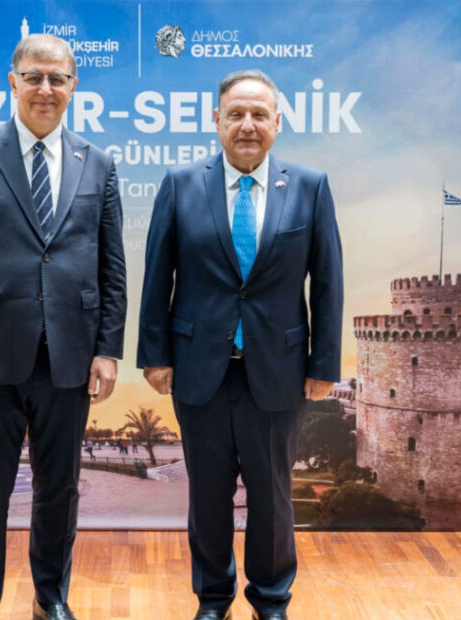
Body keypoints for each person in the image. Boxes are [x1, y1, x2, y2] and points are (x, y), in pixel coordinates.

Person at [0, 33, 126, 620]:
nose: (45, 88)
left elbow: (111, 267)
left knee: (59, 490)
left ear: (73, 86)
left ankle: (50, 598)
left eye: (57, 78)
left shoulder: (100, 164)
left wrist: (108, 348)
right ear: (12, 82)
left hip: (69, 358)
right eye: (34, 77)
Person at [137, 69, 344, 620]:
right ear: (216, 121)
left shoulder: (310, 187)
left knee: (272, 495)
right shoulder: (181, 184)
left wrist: (324, 363)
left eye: (258, 114)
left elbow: (327, 280)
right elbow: (158, 275)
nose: (247, 125)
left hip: (278, 371)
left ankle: (271, 600)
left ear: (277, 122)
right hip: (198, 369)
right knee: (207, 495)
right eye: (236, 114)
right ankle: (213, 599)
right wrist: (154, 355)